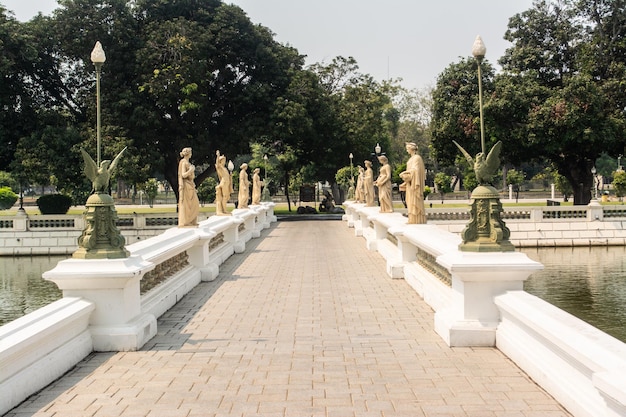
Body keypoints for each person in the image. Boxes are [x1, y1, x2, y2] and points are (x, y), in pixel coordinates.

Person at [400, 142, 426, 224]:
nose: (407, 150)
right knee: (409, 201)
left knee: (414, 201)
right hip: (409, 184)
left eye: (407, 149)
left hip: (414, 184)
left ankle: (417, 219)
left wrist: (405, 173)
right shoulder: (411, 159)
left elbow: (415, 170)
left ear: (411, 149)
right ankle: (412, 219)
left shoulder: (417, 158)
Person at [177, 147, 199, 227]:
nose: (191, 154)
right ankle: (187, 221)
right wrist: (190, 170)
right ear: (188, 153)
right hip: (186, 185)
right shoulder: (183, 162)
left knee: (194, 203)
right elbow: (183, 175)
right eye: (191, 152)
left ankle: (192, 220)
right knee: (187, 203)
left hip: (190, 185)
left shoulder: (188, 163)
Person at [215, 150, 232, 216]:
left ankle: (224, 209)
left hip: (227, 183)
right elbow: (217, 164)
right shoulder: (220, 167)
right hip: (224, 183)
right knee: (224, 196)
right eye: (223, 160)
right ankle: (223, 210)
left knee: (226, 196)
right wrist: (218, 156)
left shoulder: (224, 168)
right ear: (221, 161)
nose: (224, 162)